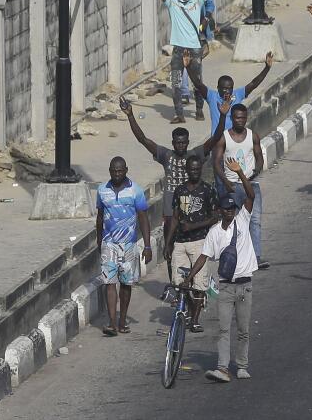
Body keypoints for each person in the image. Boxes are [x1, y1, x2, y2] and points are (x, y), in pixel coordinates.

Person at [182, 158, 257, 383]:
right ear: (220, 210)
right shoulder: (214, 233)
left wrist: (240, 173)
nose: (230, 213)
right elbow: (203, 257)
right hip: (225, 287)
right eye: (226, 209)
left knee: (243, 330)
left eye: (232, 209)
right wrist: (189, 277)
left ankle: (242, 366)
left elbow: (251, 196)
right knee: (224, 330)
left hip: (245, 285)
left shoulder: (243, 219)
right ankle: (223, 368)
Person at [119, 95, 228, 242]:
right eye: (177, 143)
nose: (180, 146)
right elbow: (142, 139)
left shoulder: (195, 154)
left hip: (193, 206)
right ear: (173, 142)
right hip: (170, 208)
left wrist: (222, 116)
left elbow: (215, 138)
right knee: (170, 244)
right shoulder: (166, 155)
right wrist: (131, 115)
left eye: (183, 143)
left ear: (188, 142)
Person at [95, 156, 151, 336]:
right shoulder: (102, 190)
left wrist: (148, 246)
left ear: (126, 170)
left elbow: (143, 218)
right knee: (109, 283)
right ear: (110, 171)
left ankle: (122, 320)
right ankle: (112, 323)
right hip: (109, 244)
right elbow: (100, 216)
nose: (117, 174)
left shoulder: (135, 190)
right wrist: (99, 241)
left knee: (126, 284)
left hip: (129, 245)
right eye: (114, 171)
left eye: (120, 171)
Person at [164, 155, 219, 332]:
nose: (194, 172)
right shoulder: (179, 191)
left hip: (200, 242)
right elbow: (174, 218)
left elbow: (215, 216)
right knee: (179, 282)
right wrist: (168, 243)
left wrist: (194, 226)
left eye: (197, 169)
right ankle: (189, 308)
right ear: (186, 171)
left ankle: (195, 319)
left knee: (199, 283)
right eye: (191, 169)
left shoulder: (208, 190)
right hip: (180, 243)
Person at [212, 104, 267, 269]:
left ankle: (256, 257)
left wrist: (257, 169)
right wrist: (226, 182)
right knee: (234, 222)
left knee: (255, 221)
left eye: (243, 117)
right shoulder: (224, 137)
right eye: (237, 117)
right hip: (233, 187)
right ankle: (234, 258)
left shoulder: (253, 136)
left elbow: (259, 157)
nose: (240, 121)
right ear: (232, 118)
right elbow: (216, 162)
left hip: (251, 184)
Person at [154, 0, 206, 124]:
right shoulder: (172, 4)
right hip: (178, 51)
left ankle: (199, 110)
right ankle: (179, 114)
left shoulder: (197, 1)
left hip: (195, 50)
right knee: (175, 83)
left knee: (197, 83)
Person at [184, 51, 273, 137]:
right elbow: (198, 84)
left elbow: (253, 84)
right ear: (218, 88)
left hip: (233, 140)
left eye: (230, 88)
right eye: (224, 88)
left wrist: (267, 68)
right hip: (217, 140)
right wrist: (188, 67)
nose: (227, 91)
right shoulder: (212, 96)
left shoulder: (237, 95)